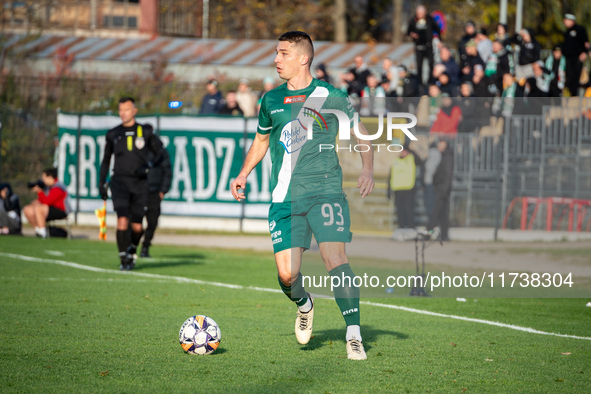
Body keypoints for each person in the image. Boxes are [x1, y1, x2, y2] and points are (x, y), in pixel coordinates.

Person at [230, 31, 375, 360]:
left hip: (326, 192)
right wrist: (243, 173)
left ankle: (354, 334)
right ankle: (304, 303)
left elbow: (361, 133)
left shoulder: (332, 96)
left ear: (303, 58)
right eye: (276, 53)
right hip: (285, 198)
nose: (276, 59)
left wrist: (367, 169)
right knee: (287, 274)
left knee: (335, 259)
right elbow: (262, 141)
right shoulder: (270, 100)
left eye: (283, 53)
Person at [99, 97, 165, 271]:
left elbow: (160, 153)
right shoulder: (113, 134)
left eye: (126, 110)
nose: (123, 113)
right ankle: (123, 257)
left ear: (134, 111)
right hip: (119, 182)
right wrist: (102, 182)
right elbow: (106, 160)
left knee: (137, 226)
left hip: (139, 184)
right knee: (122, 220)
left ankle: (132, 250)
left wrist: (149, 165)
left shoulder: (145, 132)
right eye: (120, 110)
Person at [140, 149, 172, 258]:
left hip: (154, 192)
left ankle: (145, 246)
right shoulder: (137, 149)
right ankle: (130, 246)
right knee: (135, 222)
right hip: (138, 191)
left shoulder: (160, 151)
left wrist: (163, 190)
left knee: (152, 221)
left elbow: (167, 171)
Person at [23, 168, 71, 239]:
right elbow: (42, 200)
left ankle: (43, 233)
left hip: (61, 210)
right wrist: (37, 202)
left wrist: (39, 191)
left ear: (50, 177)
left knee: (38, 208)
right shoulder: (47, 187)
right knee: (27, 209)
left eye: (44, 177)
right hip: (48, 209)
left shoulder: (58, 187)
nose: (42, 179)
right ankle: (38, 230)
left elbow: (47, 202)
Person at [387, 141, 421, 235]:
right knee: (400, 211)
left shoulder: (412, 159)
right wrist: (389, 190)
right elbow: (390, 176)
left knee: (409, 210)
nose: (403, 153)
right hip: (398, 190)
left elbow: (420, 161)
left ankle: (411, 228)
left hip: (409, 189)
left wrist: (411, 150)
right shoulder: (396, 161)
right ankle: (401, 228)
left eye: (406, 151)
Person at [407, 5, 440, 86]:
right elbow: (408, 31)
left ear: (425, 12)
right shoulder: (413, 20)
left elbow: (437, 28)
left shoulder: (430, 19)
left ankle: (430, 81)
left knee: (431, 63)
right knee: (419, 66)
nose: (420, 15)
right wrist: (413, 34)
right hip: (418, 46)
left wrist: (439, 39)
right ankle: (420, 83)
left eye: (421, 13)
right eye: (418, 13)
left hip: (428, 46)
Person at [427, 139, 453, 241]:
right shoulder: (445, 156)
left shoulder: (447, 157)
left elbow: (447, 175)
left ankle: (428, 234)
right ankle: (445, 236)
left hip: (442, 190)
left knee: (435, 213)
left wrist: (443, 189)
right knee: (443, 215)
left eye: (441, 143)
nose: (439, 145)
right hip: (442, 189)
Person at [562, 14, 590, 96]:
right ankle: (571, 94)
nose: (564, 22)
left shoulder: (579, 29)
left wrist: (584, 52)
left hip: (577, 58)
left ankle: (576, 95)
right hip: (568, 58)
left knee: (576, 78)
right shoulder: (567, 32)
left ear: (571, 20)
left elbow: (586, 43)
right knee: (569, 78)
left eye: (566, 20)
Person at [422, 142, 441, 220]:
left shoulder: (428, 158)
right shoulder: (441, 156)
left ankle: (431, 220)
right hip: (438, 183)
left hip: (428, 182)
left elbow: (423, 171)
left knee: (429, 203)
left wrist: (422, 184)